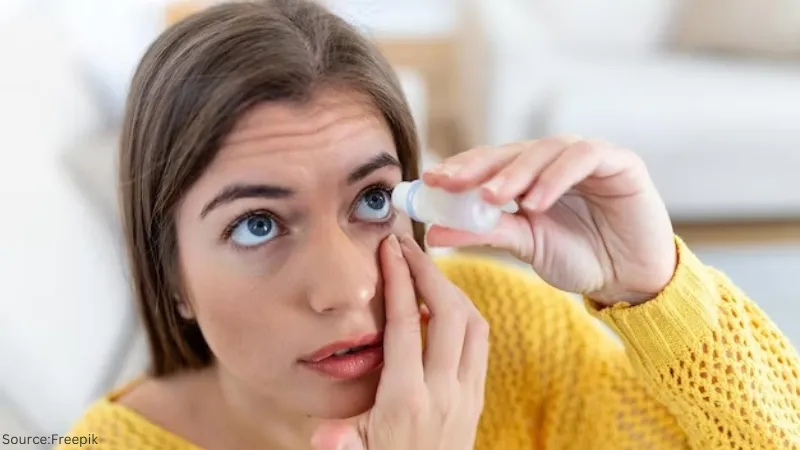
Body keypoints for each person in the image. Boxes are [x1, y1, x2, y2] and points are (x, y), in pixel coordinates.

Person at [59, 1, 800, 449]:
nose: (347, 292)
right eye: (258, 224)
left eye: (373, 200)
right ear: (170, 274)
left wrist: (657, 293)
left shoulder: (501, 328)